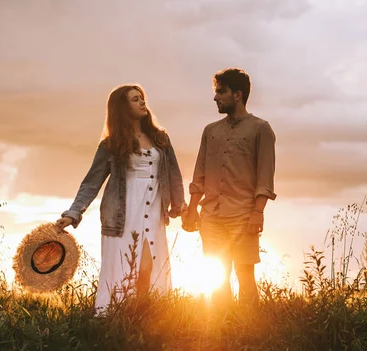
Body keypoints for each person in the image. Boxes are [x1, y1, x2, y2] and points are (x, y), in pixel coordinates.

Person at [55, 84, 187, 314]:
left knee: (148, 266)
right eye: (135, 100)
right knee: (126, 270)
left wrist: (179, 205)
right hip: (122, 214)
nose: (142, 102)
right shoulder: (111, 145)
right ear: (123, 108)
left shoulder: (160, 138)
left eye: (142, 98)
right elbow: (91, 182)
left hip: (154, 211)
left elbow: (174, 175)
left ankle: (145, 317)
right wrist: (73, 212)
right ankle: (120, 320)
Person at [183, 68, 276, 306]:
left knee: (245, 276)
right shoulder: (210, 131)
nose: (215, 98)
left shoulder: (260, 129)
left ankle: (249, 333)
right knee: (217, 276)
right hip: (211, 216)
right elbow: (199, 173)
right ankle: (222, 332)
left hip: (243, 216)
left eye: (221, 92)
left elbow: (265, 177)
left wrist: (257, 212)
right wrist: (192, 209)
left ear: (237, 94)